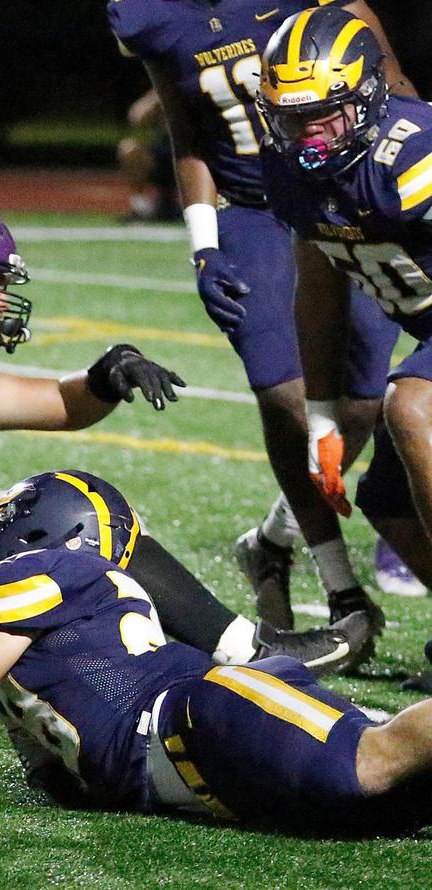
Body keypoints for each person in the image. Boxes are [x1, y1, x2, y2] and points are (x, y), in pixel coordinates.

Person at [0, 203, 370, 692]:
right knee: (74, 510)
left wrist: (108, 373)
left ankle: (147, 668)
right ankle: (249, 652)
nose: (3, 299)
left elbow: (59, 402)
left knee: (67, 536)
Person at [0, 472, 432, 836]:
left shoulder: (48, 572)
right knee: (385, 807)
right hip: (185, 766)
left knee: (375, 761)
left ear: (41, 533)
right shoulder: (18, 632)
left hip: (204, 713)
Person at [107, 0, 415, 631]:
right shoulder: (150, 16)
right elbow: (185, 128)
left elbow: (395, 86)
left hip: (343, 187)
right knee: (288, 399)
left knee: (359, 407)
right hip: (253, 209)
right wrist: (204, 241)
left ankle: (271, 540)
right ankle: (341, 587)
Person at [256, 7, 432, 676]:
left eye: (327, 111)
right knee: (390, 506)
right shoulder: (295, 172)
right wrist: (324, 419)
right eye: (293, 115)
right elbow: (322, 289)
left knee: (410, 405)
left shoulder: (412, 153)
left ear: (369, 95)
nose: (310, 131)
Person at [117, 88, 180, 223]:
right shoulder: (165, 88)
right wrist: (158, 96)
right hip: (167, 152)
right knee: (129, 148)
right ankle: (141, 209)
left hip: (196, 154)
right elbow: (136, 117)